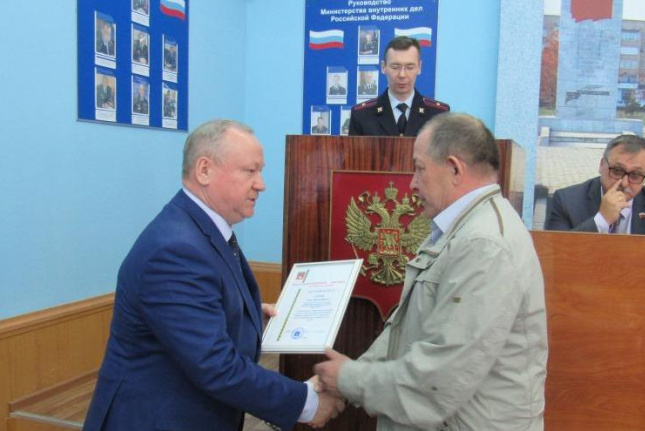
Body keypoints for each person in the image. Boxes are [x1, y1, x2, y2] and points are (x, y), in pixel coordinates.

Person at [84, 120, 344, 431]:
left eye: (260, 171)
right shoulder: (176, 249)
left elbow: (199, 315)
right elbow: (215, 365)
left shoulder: (201, 229)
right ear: (204, 170)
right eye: (250, 171)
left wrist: (244, 318)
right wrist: (307, 403)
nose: (261, 184)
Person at [315, 113, 548, 430]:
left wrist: (349, 380)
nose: (412, 183)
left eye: (419, 168)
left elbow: (440, 378)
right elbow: (404, 330)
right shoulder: (457, 229)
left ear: (454, 169)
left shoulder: (484, 244)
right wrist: (348, 378)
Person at [546, 134, 645, 236]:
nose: (624, 183)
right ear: (602, 165)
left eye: (635, 175)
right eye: (617, 171)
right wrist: (602, 220)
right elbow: (555, 255)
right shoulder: (566, 201)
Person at [349, 36, 449, 137]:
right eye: (395, 67)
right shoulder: (362, 115)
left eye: (409, 67)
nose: (402, 75)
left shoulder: (439, 115)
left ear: (419, 67)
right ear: (383, 67)